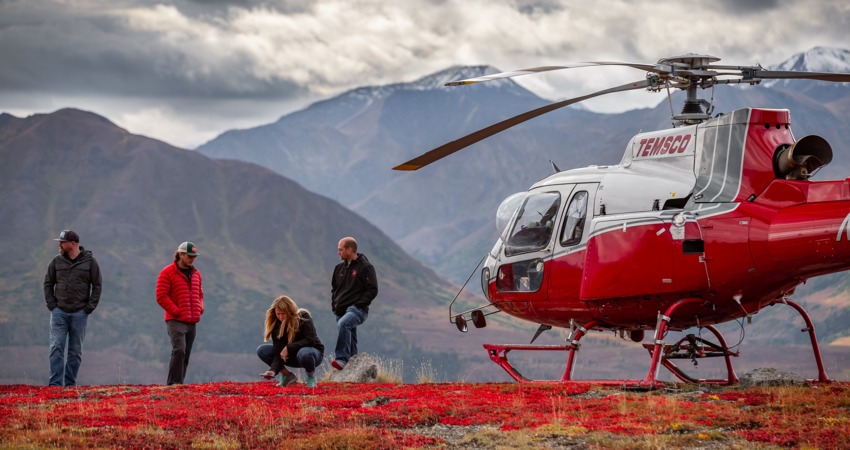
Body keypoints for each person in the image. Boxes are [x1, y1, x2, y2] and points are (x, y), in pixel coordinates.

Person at [43, 230, 102, 387]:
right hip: (59, 313)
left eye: (62, 241)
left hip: (80, 313)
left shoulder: (90, 262)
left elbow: (97, 286)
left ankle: (70, 386)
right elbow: (48, 284)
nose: (59, 244)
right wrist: (52, 306)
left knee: (75, 352)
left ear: (73, 243)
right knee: (56, 347)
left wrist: (88, 308)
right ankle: (54, 386)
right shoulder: (56, 261)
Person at [156, 242, 204, 385]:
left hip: (192, 321)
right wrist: (177, 311)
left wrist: (200, 308)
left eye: (194, 256)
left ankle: (179, 384)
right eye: (190, 256)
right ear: (180, 255)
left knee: (186, 354)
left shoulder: (196, 273)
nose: (192, 259)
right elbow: (161, 296)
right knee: (179, 350)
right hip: (175, 320)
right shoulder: (167, 272)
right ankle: (173, 384)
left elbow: (200, 294)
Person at [330, 237, 378, 370]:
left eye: (340, 249)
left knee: (344, 324)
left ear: (349, 250)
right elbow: (334, 289)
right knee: (351, 340)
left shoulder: (366, 267)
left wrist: (358, 304)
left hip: (358, 310)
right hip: (340, 311)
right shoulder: (338, 268)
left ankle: (341, 359)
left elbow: (372, 289)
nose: (338, 252)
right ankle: (353, 365)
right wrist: (335, 305)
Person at [258, 296, 324, 388]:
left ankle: (311, 378)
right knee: (262, 350)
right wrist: (273, 370)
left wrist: (288, 348)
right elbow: (278, 353)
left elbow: (310, 340)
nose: (280, 317)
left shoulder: (303, 316)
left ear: (290, 311)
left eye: (283, 314)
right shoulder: (276, 325)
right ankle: (287, 376)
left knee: (304, 353)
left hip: (311, 354)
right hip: (291, 357)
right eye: (278, 314)